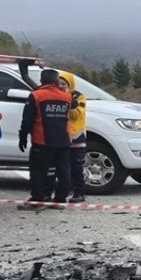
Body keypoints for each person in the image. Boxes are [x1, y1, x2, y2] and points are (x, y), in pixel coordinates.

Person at [18, 68, 72, 208]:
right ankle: (60, 200)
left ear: (42, 80)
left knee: (37, 171)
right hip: (64, 141)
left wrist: (22, 136)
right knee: (63, 170)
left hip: (42, 141)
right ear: (56, 81)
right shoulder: (67, 96)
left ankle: (37, 200)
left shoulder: (36, 95)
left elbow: (27, 120)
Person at [60, 72, 87, 203]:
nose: (61, 86)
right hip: (62, 138)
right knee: (63, 167)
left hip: (77, 138)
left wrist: (68, 100)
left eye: (64, 84)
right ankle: (63, 193)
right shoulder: (57, 96)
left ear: (70, 85)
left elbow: (76, 115)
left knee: (77, 168)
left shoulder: (79, 97)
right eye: (58, 84)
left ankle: (79, 193)